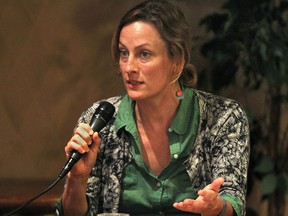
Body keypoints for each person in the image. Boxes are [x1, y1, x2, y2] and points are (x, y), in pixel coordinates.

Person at [55, 0, 250, 215]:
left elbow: (233, 201)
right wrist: (77, 179)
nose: (129, 67)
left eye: (144, 54)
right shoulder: (99, 119)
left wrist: (217, 207)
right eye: (123, 53)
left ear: (177, 60)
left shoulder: (224, 117)